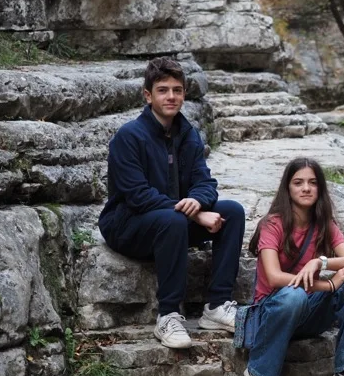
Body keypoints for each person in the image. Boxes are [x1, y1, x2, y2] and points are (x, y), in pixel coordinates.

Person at [98, 57, 245, 349]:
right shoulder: (129, 136)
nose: (171, 96)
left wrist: (197, 201)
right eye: (163, 90)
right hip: (126, 225)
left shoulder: (187, 134)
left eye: (177, 90)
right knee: (174, 219)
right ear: (148, 95)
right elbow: (138, 196)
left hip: (171, 223)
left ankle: (217, 306)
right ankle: (168, 315)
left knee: (232, 212)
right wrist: (196, 216)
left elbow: (206, 183)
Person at [242, 157, 344, 376]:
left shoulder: (323, 224)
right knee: (294, 296)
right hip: (275, 311)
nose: (306, 188)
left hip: (307, 312)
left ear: (320, 188)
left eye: (313, 183)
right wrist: (328, 285)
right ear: (288, 188)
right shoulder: (272, 224)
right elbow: (273, 277)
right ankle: (259, 370)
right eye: (298, 183)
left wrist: (320, 261)